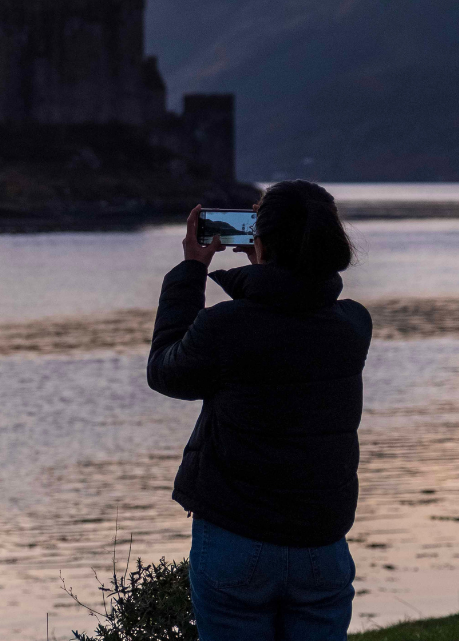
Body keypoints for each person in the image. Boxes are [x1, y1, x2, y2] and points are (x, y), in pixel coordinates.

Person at [148, 180, 371, 641]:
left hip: (236, 540)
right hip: (321, 546)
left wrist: (193, 271)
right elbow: (294, 310)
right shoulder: (352, 326)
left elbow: (166, 372)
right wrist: (270, 265)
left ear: (260, 238)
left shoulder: (227, 327)